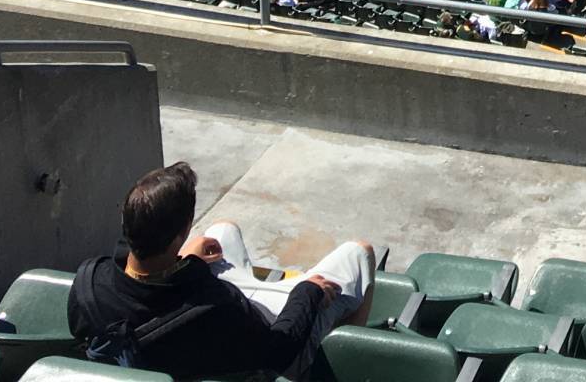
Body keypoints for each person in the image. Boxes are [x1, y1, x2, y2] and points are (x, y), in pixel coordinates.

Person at [69, 162, 372, 381]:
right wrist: (308, 293)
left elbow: (151, 295)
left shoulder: (87, 284)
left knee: (224, 231)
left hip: (170, 352)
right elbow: (279, 350)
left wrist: (187, 260)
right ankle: (342, 364)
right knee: (360, 254)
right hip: (261, 353)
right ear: (180, 233)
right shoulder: (216, 305)